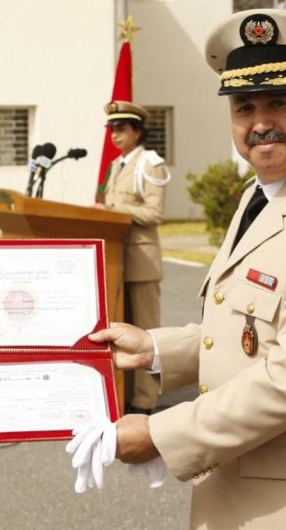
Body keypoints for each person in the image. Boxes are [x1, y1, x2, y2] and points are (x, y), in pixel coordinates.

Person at [86, 10, 286, 529]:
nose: (260, 123)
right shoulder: (265, 193)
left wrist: (159, 434)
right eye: (244, 106)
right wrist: (153, 350)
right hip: (251, 483)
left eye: (279, 102)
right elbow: (248, 332)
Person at [97, 101, 170, 415]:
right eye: (112, 129)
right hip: (115, 262)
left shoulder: (150, 163)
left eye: (122, 129)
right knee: (120, 330)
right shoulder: (117, 165)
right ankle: (123, 395)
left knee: (146, 333)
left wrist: (113, 212)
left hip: (141, 261)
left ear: (138, 131)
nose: (115, 135)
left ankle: (145, 400)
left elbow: (154, 213)